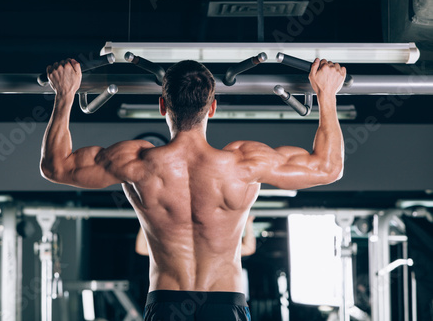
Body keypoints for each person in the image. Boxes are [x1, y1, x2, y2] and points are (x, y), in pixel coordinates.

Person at [40, 57, 345, 320]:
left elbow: (56, 167)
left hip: (166, 302)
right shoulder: (244, 163)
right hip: (226, 302)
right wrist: (326, 94)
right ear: (212, 107)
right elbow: (328, 168)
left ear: (163, 106)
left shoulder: (136, 161)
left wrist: (65, 94)